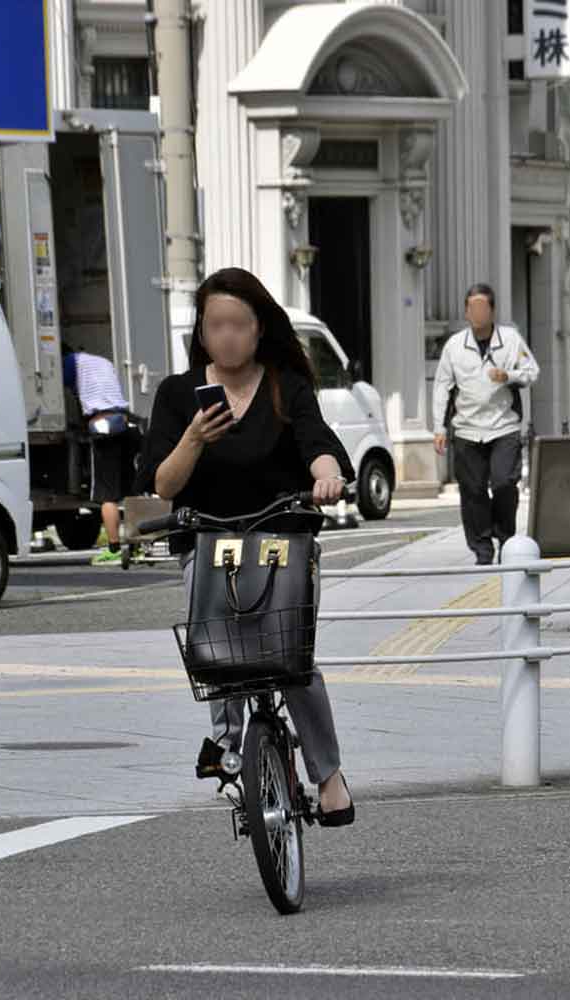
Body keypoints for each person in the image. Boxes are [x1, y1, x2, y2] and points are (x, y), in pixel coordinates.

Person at [137, 267, 357, 826]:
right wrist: (193, 438)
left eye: (240, 324)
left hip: (281, 537)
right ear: (203, 331)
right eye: (217, 325)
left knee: (291, 655)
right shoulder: (179, 395)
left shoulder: (286, 386)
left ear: (260, 329)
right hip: (209, 540)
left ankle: (328, 775)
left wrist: (327, 475)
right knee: (217, 648)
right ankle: (227, 742)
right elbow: (163, 483)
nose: (228, 335)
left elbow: (319, 443)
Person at [431, 283, 540, 564]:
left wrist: (510, 376)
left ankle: (506, 539)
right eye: (472, 308)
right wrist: (439, 428)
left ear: (492, 311)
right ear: (467, 312)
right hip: (467, 428)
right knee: (473, 490)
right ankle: (482, 548)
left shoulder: (511, 339)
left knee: (505, 483)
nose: (477, 312)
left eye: (483, 307)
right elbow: (442, 386)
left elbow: (532, 371)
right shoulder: (455, 346)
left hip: (504, 426)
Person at [63, 348, 139, 565]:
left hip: (104, 426)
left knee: (107, 495)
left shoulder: (69, 362)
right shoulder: (103, 360)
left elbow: (64, 390)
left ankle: (114, 549)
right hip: (126, 423)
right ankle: (136, 547)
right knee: (131, 491)